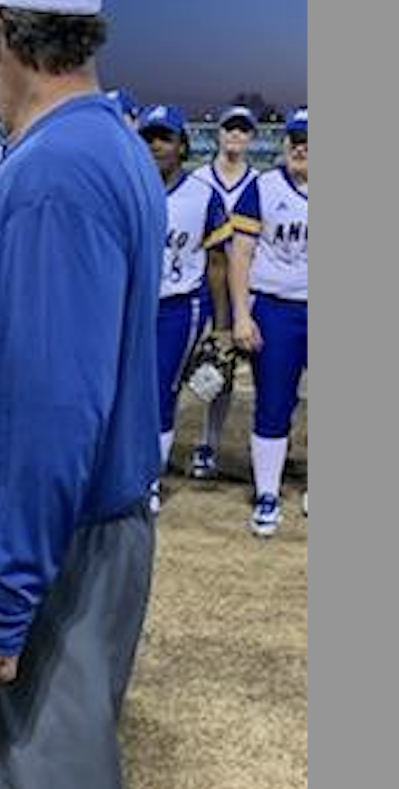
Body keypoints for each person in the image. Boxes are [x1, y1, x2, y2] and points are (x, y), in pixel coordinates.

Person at [0, 0, 164, 789]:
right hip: (81, 531)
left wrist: (5, 593)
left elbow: (58, 407)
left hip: (43, 544)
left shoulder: (55, 168)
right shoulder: (101, 139)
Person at [136, 104, 232, 505]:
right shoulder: (126, 188)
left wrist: (222, 326)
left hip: (179, 307)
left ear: (182, 146)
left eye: (165, 137)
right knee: (124, 392)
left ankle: (149, 481)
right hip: (131, 307)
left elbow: (217, 263)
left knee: (161, 390)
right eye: (149, 137)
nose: (156, 145)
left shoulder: (203, 195)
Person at [230, 106, 308, 536]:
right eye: (295, 139)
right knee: (274, 402)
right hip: (275, 308)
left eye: (310, 141)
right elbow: (240, 255)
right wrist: (242, 315)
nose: (301, 148)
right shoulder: (262, 187)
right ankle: (267, 493)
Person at [184, 104, 262, 478]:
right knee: (200, 368)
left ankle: (215, 443)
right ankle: (193, 442)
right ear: (218, 133)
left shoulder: (260, 183)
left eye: (243, 130)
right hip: (201, 286)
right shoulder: (197, 180)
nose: (235, 135)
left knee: (231, 369)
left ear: (251, 138)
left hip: (247, 288)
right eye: (230, 128)